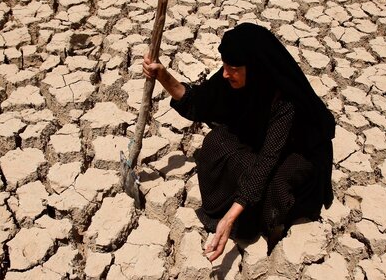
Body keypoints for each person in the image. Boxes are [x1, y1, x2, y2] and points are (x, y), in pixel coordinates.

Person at [142, 22, 335, 262]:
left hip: (297, 153)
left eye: (233, 68)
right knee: (216, 142)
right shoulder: (234, 78)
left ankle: (268, 222)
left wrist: (230, 217)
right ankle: (245, 206)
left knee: (274, 185)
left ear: (254, 68)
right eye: (224, 65)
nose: (225, 73)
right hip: (260, 144)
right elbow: (199, 102)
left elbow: (267, 160)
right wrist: (162, 76)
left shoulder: (285, 101)